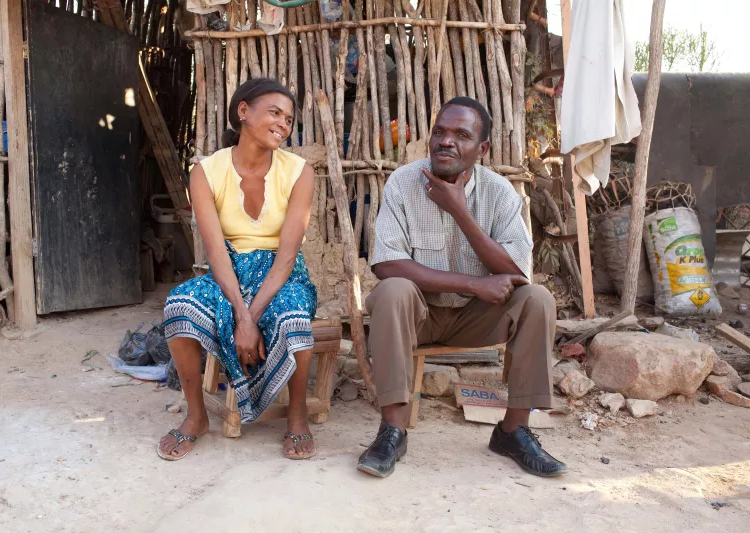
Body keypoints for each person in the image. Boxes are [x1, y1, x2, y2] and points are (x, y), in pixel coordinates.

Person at [357, 97, 567, 478]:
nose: (446, 141)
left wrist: (460, 211)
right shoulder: (404, 182)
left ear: (481, 148)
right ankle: (392, 431)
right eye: (440, 132)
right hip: (418, 315)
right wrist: (474, 283)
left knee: (537, 299)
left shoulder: (500, 192)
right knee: (392, 291)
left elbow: (518, 272)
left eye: (460, 135)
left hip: (478, 318)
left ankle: (514, 431)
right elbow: (386, 262)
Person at [158, 78, 318, 461]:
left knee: (293, 315)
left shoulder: (299, 172)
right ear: (243, 111)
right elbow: (215, 252)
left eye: (289, 118)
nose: (283, 123)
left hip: (283, 273)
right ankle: (196, 417)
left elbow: (287, 255)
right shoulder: (207, 172)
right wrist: (241, 316)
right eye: (274, 112)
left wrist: (252, 315)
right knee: (179, 305)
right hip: (229, 270)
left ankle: (297, 417)